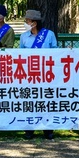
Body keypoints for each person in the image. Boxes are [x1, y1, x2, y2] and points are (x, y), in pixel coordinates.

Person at [20, 9, 57, 140]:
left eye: (27, 21)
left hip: (46, 74)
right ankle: (29, 129)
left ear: (34, 23)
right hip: (30, 75)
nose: (26, 23)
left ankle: (48, 129)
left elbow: (56, 53)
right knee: (30, 101)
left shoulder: (49, 34)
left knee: (46, 101)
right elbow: (20, 55)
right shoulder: (24, 37)